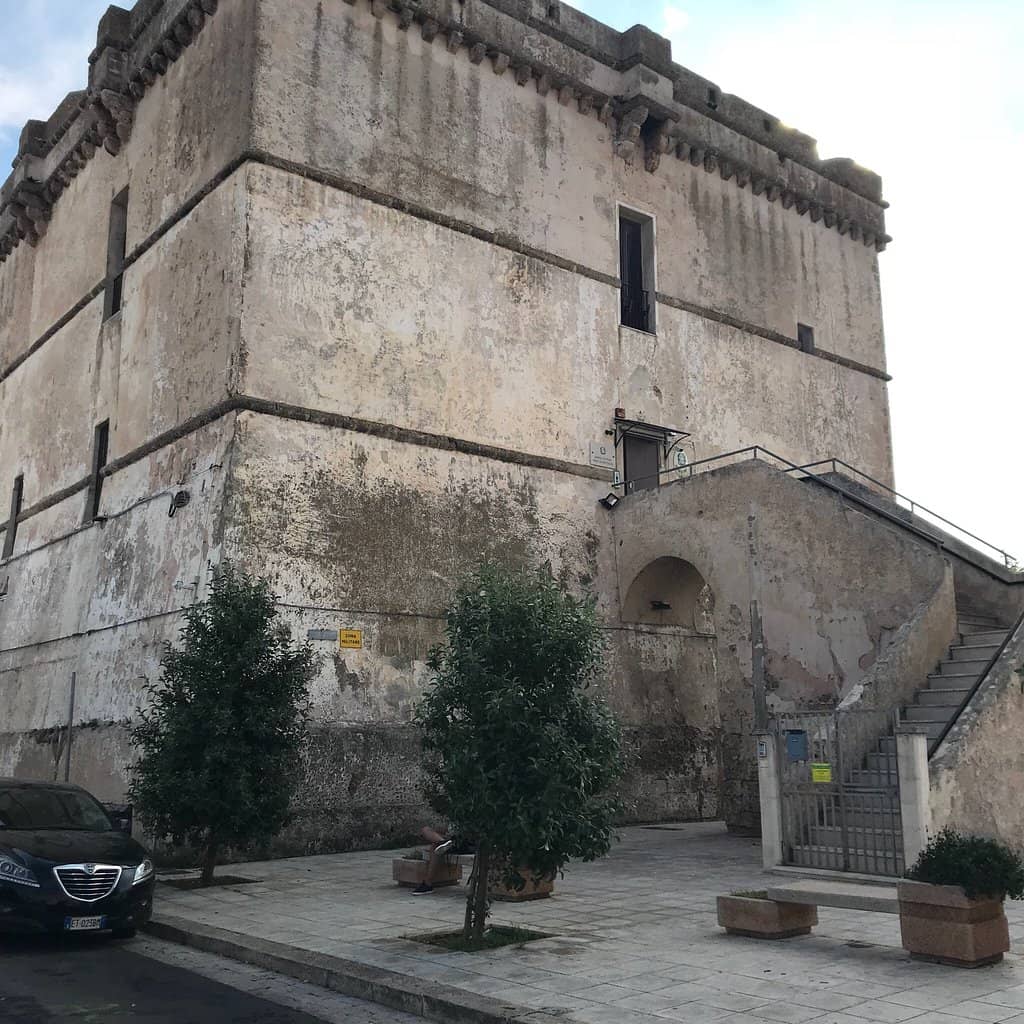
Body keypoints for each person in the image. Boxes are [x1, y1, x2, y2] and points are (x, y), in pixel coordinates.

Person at [411, 826, 474, 895]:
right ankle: (443, 843)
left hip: (465, 843)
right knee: (426, 830)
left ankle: (427, 884)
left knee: (435, 849)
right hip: (451, 839)